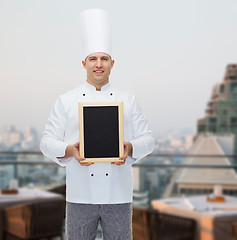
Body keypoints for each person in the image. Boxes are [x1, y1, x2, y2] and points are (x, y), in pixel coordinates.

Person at [40, 9, 155, 240]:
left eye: (104, 59)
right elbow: (46, 142)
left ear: (112, 63)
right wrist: (70, 150)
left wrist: (129, 147)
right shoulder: (66, 100)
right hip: (80, 195)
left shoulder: (128, 99)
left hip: (119, 195)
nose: (98, 64)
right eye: (93, 59)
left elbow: (149, 139)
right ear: (84, 63)